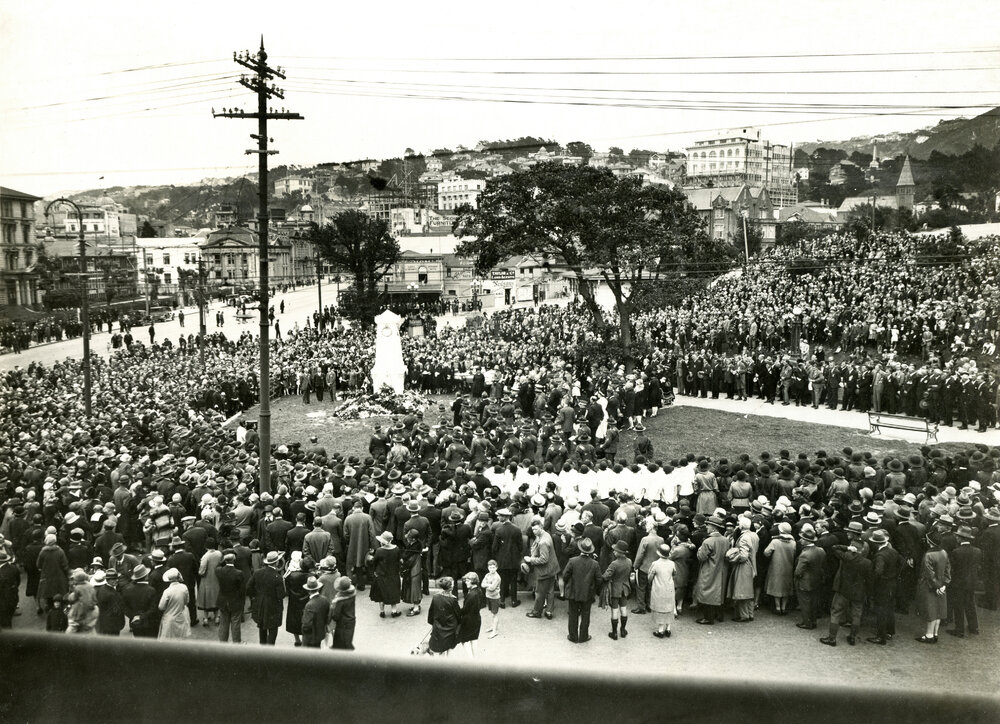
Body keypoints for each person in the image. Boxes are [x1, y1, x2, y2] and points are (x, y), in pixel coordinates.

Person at [821, 523, 873, 647]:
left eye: (849, 532)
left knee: (836, 612)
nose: (847, 533)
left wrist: (847, 548)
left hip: (843, 588)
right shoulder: (867, 559)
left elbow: (834, 548)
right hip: (859, 590)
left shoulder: (846, 556)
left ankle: (832, 638)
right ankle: (852, 637)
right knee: (856, 615)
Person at [915, 532, 951, 644]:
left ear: (929, 542)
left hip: (929, 587)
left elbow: (929, 574)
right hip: (941, 587)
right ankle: (935, 634)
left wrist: (936, 587)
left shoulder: (928, 555)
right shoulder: (944, 552)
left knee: (930, 611)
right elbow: (948, 570)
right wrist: (944, 585)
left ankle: (928, 635)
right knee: (939, 610)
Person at [563, 538, 600, 643]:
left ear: (580, 549)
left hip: (573, 592)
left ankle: (573, 636)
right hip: (587, 593)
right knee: (586, 614)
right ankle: (583, 636)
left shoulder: (572, 561)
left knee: (573, 614)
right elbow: (599, 579)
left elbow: (565, 575)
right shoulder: (594, 563)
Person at [868, 528, 902, 645]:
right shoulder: (893, 551)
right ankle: (889, 632)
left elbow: (878, 571)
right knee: (890, 609)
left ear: (876, 542)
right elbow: (901, 563)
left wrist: (873, 582)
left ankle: (880, 636)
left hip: (882, 586)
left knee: (881, 610)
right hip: (892, 584)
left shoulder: (880, 555)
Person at [948, 525, 982, 638]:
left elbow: (953, 569)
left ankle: (959, 629)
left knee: (958, 605)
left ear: (960, 538)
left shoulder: (956, 552)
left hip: (959, 582)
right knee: (970, 604)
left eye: (958, 536)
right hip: (972, 582)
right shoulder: (977, 551)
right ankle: (974, 627)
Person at [694, 516, 729, 625]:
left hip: (709, 569)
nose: (707, 527)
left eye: (708, 525)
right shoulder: (725, 540)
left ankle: (708, 618)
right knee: (719, 592)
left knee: (707, 592)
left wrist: (699, 549)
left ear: (713, 527)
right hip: (722, 569)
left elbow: (701, 557)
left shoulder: (708, 541)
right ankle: (719, 614)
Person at [524, 517, 559, 620]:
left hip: (544, 571)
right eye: (533, 529)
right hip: (552, 569)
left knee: (539, 592)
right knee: (550, 591)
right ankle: (549, 611)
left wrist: (531, 560)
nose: (534, 531)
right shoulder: (545, 534)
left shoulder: (543, 541)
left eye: (536, 529)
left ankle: (537, 612)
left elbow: (544, 559)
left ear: (541, 527)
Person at [247, 550, 286, 645]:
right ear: (276, 562)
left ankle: (262, 648)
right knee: (273, 629)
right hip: (273, 607)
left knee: (261, 627)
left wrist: (255, 596)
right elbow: (281, 595)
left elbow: (248, 587)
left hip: (259, 604)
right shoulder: (277, 577)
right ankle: (269, 650)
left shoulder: (257, 573)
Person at [794, 526, 826, 631]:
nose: (800, 540)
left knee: (805, 603)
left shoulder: (805, 554)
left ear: (807, 541)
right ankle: (813, 621)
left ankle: (807, 623)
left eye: (802, 538)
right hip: (817, 580)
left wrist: (797, 578)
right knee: (813, 602)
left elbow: (798, 571)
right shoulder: (821, 550)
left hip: (805, 582)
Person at [602, 540, 633, 640]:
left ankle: (614, 633)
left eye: (615, 550)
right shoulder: (629, 561)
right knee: (623, 609)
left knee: (614, 610)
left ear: (619, 552)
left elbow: (606, 576)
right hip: (625, 588)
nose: (614, 552)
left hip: (615, 589)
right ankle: (623, 630)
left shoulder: (614, 564)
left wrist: (603, 576)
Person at [764, 522, 796, 615]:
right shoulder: (793, 543)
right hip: (788, 567)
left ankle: (778, 607)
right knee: (786, 587)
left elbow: (766, 552)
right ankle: (784, 607)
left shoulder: (775, 542)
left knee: (777, 587)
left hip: (776, 567)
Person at [215, 552, 246, 644]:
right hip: (235, 601)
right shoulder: (239, 573)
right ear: (234, 560)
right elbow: (242, 590)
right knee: (235, 623)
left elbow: (217, 566)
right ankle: (236, 642)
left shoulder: (219, 571)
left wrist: (222, 560)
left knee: (223, 623)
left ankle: (223, 643)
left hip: (223, 600)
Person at [647, 543, 677, 638]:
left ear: (659, 553)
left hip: (659, 588)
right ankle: (668, 629)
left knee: (660, 608)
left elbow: (650, 577)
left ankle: (660, 630)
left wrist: (651, 581)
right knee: (669, 607)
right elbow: (674, 573)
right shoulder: (672, 563)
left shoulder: (655, 564)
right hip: (669, 588)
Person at [120, 564, 159, 638]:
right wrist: (142, 616)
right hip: (149, 623)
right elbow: (153, 608)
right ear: (146, 576)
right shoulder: (151, 590)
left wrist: (133, 616)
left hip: (135, 623)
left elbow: (123, 606)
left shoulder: (128, 590)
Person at [427, 575, 461, 656]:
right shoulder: (453, 599)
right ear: (450, 587)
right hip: (450, 628)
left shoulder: (435, 597)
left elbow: (431, 612)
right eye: (452, 584)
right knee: (449, 648)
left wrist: (434, 623)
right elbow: (458, 614)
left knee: (440, 649)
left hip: (438, 627)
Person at [371, 531, 402, 618]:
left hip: (381, 575)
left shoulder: (379, 551)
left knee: (381, 593)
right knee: (393, 592)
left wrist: (374, 571)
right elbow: (399, 561)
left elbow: (374, 562)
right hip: (393, 574)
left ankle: (382, 611)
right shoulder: (396, 549)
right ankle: (394, 611)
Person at [158, 568, 191, 640]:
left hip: (169, 619)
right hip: (181, 616)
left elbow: (161, 607)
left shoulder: (167, 591)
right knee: (180, 639)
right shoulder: (184, 587)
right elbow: (187, 601)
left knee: (169, 641)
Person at [300, 576, 330, 648]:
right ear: (318, 588)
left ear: (308, 590)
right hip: (319, 633)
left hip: (310, 637)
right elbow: (327, 616)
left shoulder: (309, 605)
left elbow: (306, 625)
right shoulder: (324, 600)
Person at [329, 575, 357, 650]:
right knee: (348, 638)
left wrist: (332, 608)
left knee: (342, 641)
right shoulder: (352, 594)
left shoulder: (340, 601)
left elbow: (335, 616)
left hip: (342, 623)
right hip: (351, 620)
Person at [93, 570, 125, 636]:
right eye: (113, 579)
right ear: (108, 580)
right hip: (113, 625)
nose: (116, 580)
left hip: (102, 622)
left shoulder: (101, 589)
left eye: (117, 578)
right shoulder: (112, 594)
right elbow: (116, 611)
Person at [459, 572, 483, 657]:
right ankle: (475, 661)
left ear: (473, 581)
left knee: (464, 640)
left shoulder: (471, 595)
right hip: (476, 619)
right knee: (474, 640)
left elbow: (465, 610)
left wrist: (455, 611)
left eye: (468, 580)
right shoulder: (479, 591)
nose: (466, 582)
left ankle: (471, 661)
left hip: (468, 621)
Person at [482, 559, 502, 638]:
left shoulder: (497, 577)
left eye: (493, 567)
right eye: (490, 567)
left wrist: (487, 585)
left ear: (496, 568)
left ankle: (495, 631)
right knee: (492, 613)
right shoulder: (487, 575)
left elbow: (492, 588)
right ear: (488, 568)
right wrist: (488, 585)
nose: (492, 569)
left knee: (495, 614)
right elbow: (482, 584)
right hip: (488, 596)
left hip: (494, 598)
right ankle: (493, 627)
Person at [0, 549, 19, 629]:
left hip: (2, 600)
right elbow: (18, 582)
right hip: (13, 598)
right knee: (8, 619)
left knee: (4, 622)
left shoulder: (1, 572)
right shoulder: (14, 568)